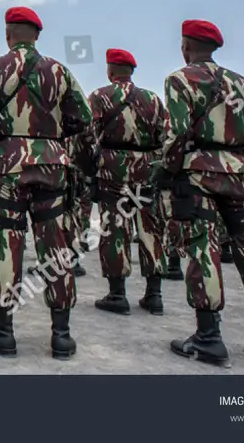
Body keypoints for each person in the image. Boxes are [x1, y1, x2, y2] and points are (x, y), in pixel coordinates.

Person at [158, 23, 244, 369]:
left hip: (199, 173)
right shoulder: (242, 82)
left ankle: (209, 338)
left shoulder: (179, 79)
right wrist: (237, 155)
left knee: (202, 246)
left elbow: (176, 134)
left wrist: (168, 171)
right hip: (240, 173)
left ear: (186, 45)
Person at [0, 6, 91, 360]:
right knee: (56, 246)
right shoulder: (58, 70)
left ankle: (3, 331)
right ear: (37, 35)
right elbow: (81, 117)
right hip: (52, 165)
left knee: (7, 243)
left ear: (7, 35)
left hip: (7, 165)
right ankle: (62, 335)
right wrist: (49, 138)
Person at [85, 49, 167, 317]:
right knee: (150, 228)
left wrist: (87, 167)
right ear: (132, 71)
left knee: (115, 228)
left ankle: (117, 294)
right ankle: (154, 294)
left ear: (110, 71)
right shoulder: (152, 99)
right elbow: (165, 135)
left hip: (111, 168)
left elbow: (86, 135)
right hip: (146, 168)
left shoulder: (99, 96)